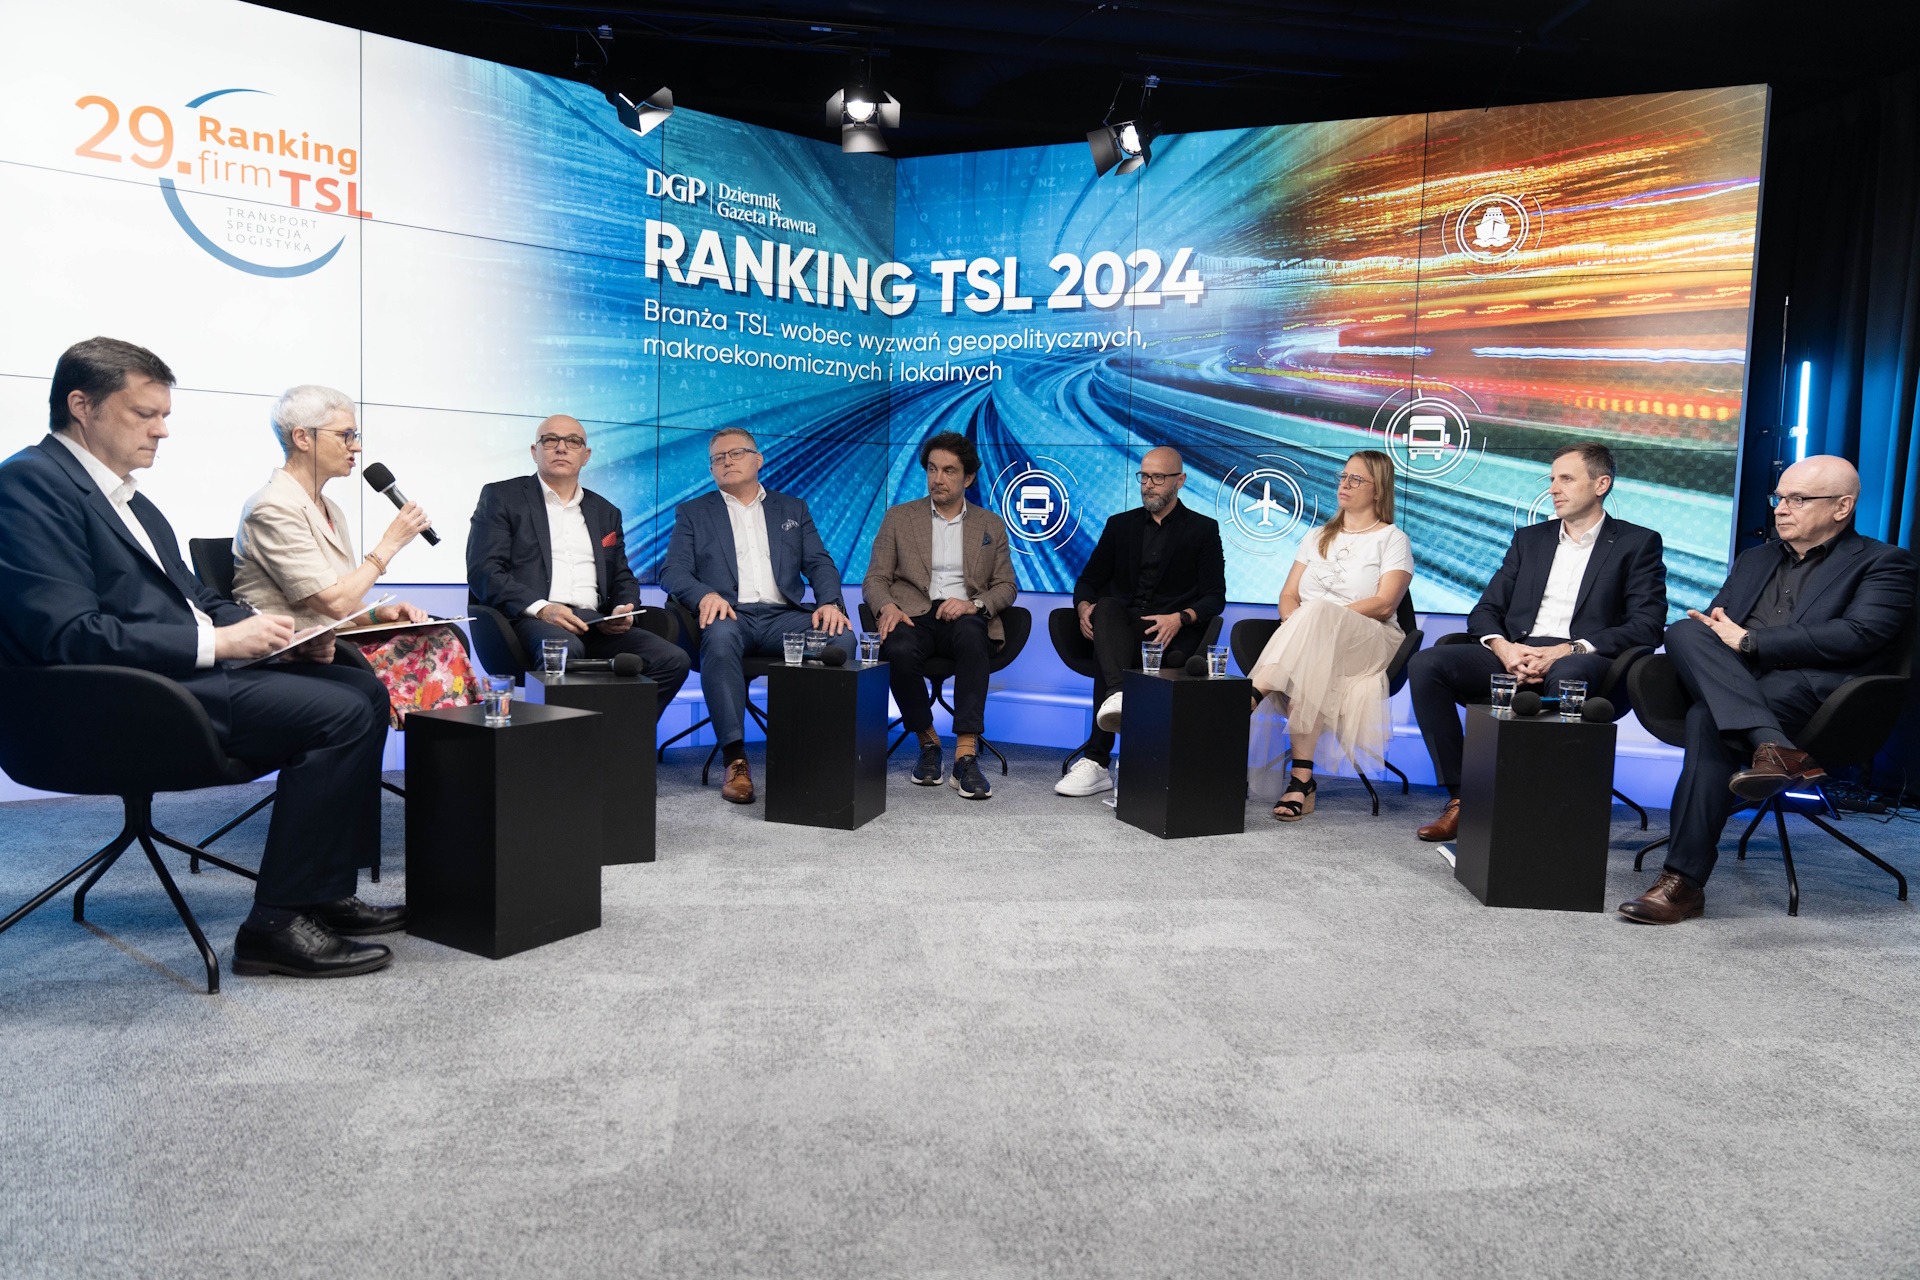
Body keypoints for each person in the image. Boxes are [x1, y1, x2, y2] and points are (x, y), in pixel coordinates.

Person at [0, 338, 399, 979]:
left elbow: (199, 600)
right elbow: (67, 635)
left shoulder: (130, 499)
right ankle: (275, 927)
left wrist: (277, 636)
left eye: (164, 415)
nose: (162, 431)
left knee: (360, 687)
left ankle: (322, 891)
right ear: (82, 406)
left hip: (176, 676)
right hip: (115, 695)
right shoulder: (28, 485)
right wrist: (219, 644)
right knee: (340, 712)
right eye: (145, 414)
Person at [1619, 455, 1916, 924]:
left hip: (1816, 696)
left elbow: (1861, 634)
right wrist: (1723, 637)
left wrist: (1750, 642)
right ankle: (1774, 748)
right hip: (1736, 681)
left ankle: (1681, 882)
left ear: (1842, 507)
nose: (1781, 508)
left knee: (1707, 718)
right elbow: (1715, 626)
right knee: (1685, 630)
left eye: (1798, 499)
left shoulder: (1883, 562)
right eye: (1778, 497)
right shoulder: (1754, 559)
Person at [1406, 442, 1667, 842]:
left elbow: (1647, 625)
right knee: (1427, 665)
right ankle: (1464, 796)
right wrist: (1503, 648)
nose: (1553, 488)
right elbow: (1485, 610)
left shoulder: (1637, 542)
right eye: (1552, 479)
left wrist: (1568, 648)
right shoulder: (1530, 539)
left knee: (1569, 673)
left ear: (1601, 484)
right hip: (1517, 650)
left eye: (1566, 479)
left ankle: (1545, 810)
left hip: (1584, 655)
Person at [233, 385, 478, 726]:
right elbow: (333, 603)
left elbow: (339, 597)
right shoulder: (272, 507)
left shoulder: (329, 508)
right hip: (296, 650)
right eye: (345, 436)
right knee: (437, 646)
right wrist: (390, 543)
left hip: (336, 640)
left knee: (442, 634)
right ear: (302, 438)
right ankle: (446, 750)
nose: (356, 447)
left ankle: (446, 751)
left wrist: (378, 614)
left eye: (355, 436)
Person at [659, 427, 855, 804]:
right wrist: (705, 595)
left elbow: (819, 563)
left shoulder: (793, 508)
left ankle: (811, 750)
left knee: (840, 637)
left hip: (785, 617)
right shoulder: (694, 512)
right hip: (731, 615)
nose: (727, 462)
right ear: (712, 469)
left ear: (758, 459)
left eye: (735, 453)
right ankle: (735, 760)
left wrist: (830, 602)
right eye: (718, 458)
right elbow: (673, 571)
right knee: (718, 635)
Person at [466, 415, 691, 710]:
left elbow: (622, 575)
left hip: (595, 622)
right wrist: (543, 609)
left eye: (573, 441)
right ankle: (562, 739)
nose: (561, 447)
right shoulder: (502, 497)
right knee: (564, 650)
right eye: (550, 440)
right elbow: (484, 570)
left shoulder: (606, 512)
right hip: (531, 620)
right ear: (535, 451)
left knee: (672, 660)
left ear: (585, 456)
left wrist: (623, 610)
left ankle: (614, 735)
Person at [1243, 450, 1413, 820]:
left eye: (1356, 479)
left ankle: (1250, 696)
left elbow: (1385, 604)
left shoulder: (1393, 539)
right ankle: (1301, 782)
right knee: (1313, 650)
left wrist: (1318, 619)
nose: (1344, 484)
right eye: (1343, 476)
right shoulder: (1317, 535)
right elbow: (1288, 596)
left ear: (1379, 490)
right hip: (1314, 642)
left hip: (1371, 640)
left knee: (1317, 613)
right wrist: (1302, 624)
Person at [1055, 445, 1227, 798]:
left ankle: (1106, 759)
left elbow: (1215, 596)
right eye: (1144, 476)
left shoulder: (1202, 529)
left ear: (1180, 480)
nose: (1148, 484)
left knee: (1110, 654)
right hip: (1121, 628)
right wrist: (1084, 607)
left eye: (1158, 477)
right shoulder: (1120, 526)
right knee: (1106, 609)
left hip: (1168, 635)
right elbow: (1088, 580)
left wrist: (1180, 618)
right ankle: (1114, 714)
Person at [864, 431, 1019, 800]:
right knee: (897, 647)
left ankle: (965, 754)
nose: (938, 478)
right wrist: (887, 606)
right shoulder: (899, 517)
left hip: (963, 614)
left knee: (972, 634)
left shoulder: (990, 524)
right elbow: (875, 578)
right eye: (932, 469)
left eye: (949, 471)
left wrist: (974, 604)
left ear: (968, 477)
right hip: (911, 614)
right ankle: (928, 742)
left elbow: (1006, 586)